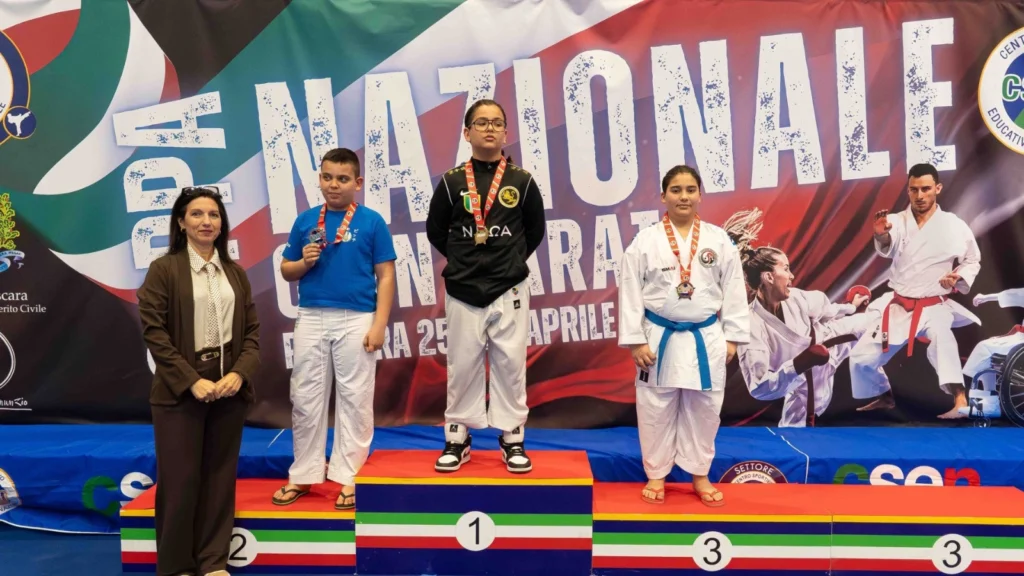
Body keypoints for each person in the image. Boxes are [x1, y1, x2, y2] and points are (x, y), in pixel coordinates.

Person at [138, 186, 261, 576]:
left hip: (228, 388)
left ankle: (212, 562)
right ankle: (176, 566)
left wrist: (239, 374)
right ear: (181, 222)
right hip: (180, 390)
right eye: (197, 214)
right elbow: (154, 332)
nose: (206, 221)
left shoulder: (235, 273)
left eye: (214, 214)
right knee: (180, 481)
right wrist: (191, 380)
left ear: (222, 223)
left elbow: (253, 334)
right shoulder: (164, 269)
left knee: (219, 480)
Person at [271, 148, 396, 509]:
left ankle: (349, 476)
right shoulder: (306, 220)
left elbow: (386, 275)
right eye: (327, 177)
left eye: (342, 179)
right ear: (320, 179)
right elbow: (286, 270)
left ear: (357, 182)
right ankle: (303, 474)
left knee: (355, 399)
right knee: (305, 398)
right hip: (311, 315)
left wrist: (380, 324)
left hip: (357, 318)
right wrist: (303, 262)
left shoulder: (372, 222)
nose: (334, 185)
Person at [425, 99, 546, 473]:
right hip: (463, 287)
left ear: (506, 133)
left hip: (509, 287)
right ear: (467, 132)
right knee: (462, 364)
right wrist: (465, 260)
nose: (489, 128)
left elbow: (535, 231)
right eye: (481, 122)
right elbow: (436, 230)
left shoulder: (522, 181)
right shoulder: (451, 182)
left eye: (496, 123)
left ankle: (512, 437)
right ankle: (457, 437)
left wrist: (508, 262)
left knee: (511, 364)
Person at [618, 165, 749, 506]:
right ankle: (656, 474)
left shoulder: (719, 240)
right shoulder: (644, 241)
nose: (684, 196)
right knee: (654, 407)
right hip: (658, 336)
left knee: (705, 408)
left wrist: (733, 336)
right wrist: (635, 340)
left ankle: (700, 474)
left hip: (705, 336)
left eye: (690, 189)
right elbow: (630, 290)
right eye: (676, 190)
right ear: (663, 196)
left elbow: (734, 288)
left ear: (700, 195)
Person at [849, 163, 981, 419]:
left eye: (926, 189)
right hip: (900, 304)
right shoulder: (896, 221)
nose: (920, 195)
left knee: (943, 340)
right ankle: (883, 394)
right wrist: (881, 236)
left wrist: (958, 276)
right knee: (861, 357)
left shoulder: (954, 224)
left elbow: (972, 259)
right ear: (908, 190)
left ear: (938, 188)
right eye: (914, 190)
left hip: (934, 305)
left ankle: (960, 401)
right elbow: (887, 246)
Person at [725, 208, 873, 427]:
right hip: (803, 384)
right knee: (794, 432)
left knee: (876, 322)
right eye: (786, 268)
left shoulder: (797, 297)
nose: (791, 275)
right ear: (768, 277)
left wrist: (851, 308)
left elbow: (828, 311)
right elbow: (759, 387)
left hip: (831, 343)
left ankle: (882, 390)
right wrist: (799, 364)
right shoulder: (752, 326)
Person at [962, 288, 1024, 381]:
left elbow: (1015, 295)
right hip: (1020, 339)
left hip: (1021, 344)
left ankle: (986, 387)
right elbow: (1014, 295)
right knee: (985, 348)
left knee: (985, 348)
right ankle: (987, 388)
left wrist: (986, 297)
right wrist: (986, 297)